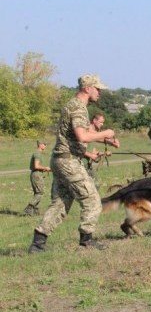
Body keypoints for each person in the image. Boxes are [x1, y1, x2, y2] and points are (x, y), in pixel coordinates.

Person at [28, 74, 120, 253]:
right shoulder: (78, 108)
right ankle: (87, 242)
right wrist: (106, 133)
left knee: (60, 203)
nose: (100, 92)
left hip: (59, 159)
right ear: (87, 88)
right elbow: (83, 136)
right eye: (97, 89)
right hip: (68, 161)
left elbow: (76, 135)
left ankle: (37, 244)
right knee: (92, 200)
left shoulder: (72, 104)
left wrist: (105, 141)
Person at [83, 113, 120, 190]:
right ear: (94, 120)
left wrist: (103, 153)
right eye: (100, 122)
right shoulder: (86, 131)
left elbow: (94, 148)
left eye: (103, 122)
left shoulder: (93, 133)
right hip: (79, 165)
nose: (102, 124)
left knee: (95, 186)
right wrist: (91, 155)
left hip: (87, 166)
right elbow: (77, 148)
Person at [23, 140, 52, 216]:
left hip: (37, 174)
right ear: (40, 145)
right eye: (44, 144)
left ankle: (35, 211)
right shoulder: (37, 154)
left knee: (37, 193)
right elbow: (36, 166)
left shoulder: (38, 153)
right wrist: (45, 168)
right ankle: (29, 207)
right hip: (37, 175)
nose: (46, 146)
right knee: (40, 192)